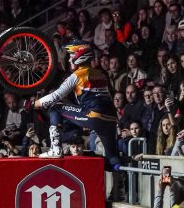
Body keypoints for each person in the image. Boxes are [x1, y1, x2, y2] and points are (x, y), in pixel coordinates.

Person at [33, 40, 120, 168]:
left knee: (55, 107)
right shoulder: (101, 74)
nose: (69, 60)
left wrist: (34, 104)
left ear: (79, 57)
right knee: (114, 160)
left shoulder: (77, 75)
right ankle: (120, 175)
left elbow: (55, 96)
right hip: (111, 119)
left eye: (71, 56)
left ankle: (55, 149)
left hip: (94, 115)